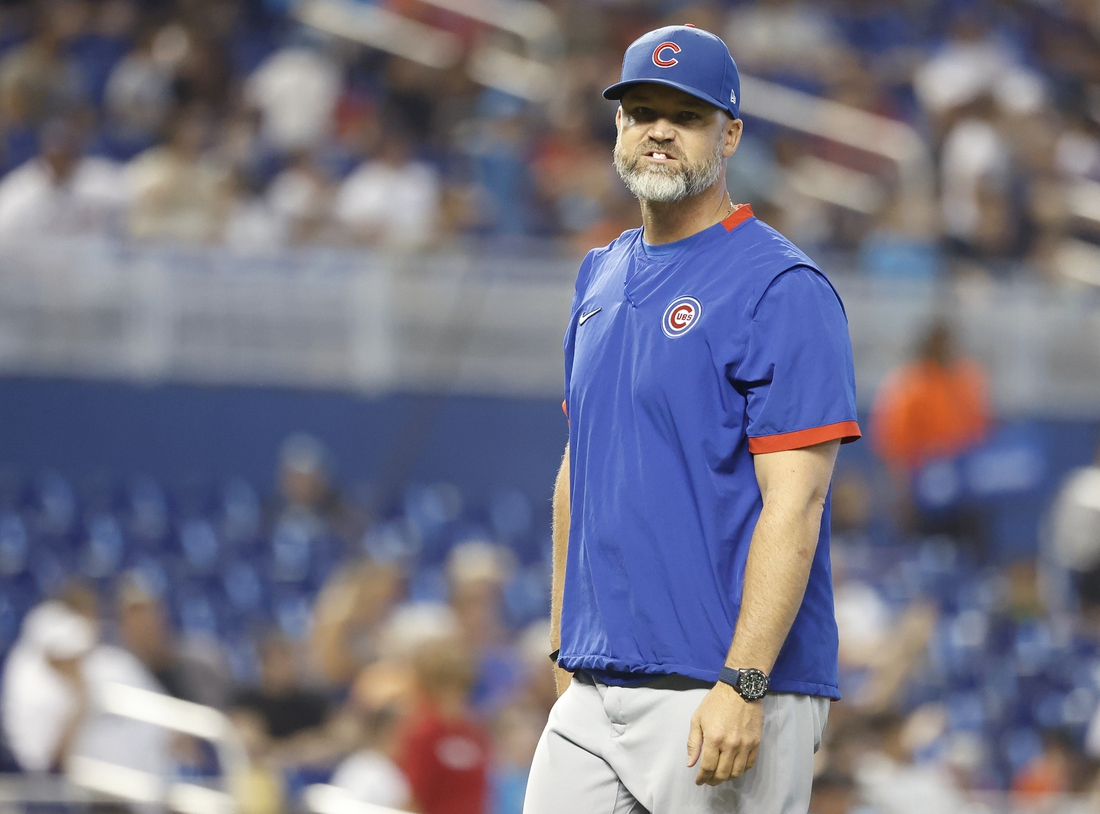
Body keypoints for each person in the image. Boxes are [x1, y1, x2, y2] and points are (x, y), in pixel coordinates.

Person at [524, 25, 861, 814]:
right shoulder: (598, 274)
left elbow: (797, 501)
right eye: (640, 110)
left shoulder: (782, 286)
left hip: (723, 688)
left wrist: (744, 683)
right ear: (618, 128)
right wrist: (562, 643)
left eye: (688, 113)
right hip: (597, 683)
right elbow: (579, 468)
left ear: (731, 133)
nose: (660, 130)